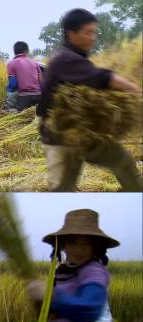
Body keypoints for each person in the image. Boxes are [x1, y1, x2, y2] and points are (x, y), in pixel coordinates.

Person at [36, 8, 141, 192]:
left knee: (122, 160)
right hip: (59, 135)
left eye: (94, 32)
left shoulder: (73, 58)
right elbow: (102, 77)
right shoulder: (65, 58)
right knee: (62, 188)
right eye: (88, 32)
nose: (93, 38)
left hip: (82, 132)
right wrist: (134, 89)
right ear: (71, 34)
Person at [25, 209, 124, 322]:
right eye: (73, 242)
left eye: (86, 244)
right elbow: (54, 316)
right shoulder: (62, 270)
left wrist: (52, 297)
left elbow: (90, 308)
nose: (80, 249)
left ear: (96, 246)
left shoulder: (93, 270)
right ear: (63, 244)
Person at [7, 41, 43, 111]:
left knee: (10, 89)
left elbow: (12, 85)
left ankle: (10, 109)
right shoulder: (35, 63)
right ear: (26, 51)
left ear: (15, 51)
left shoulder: (10, 64)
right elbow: (41, 81)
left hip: (24, 97)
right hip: (38, 96)